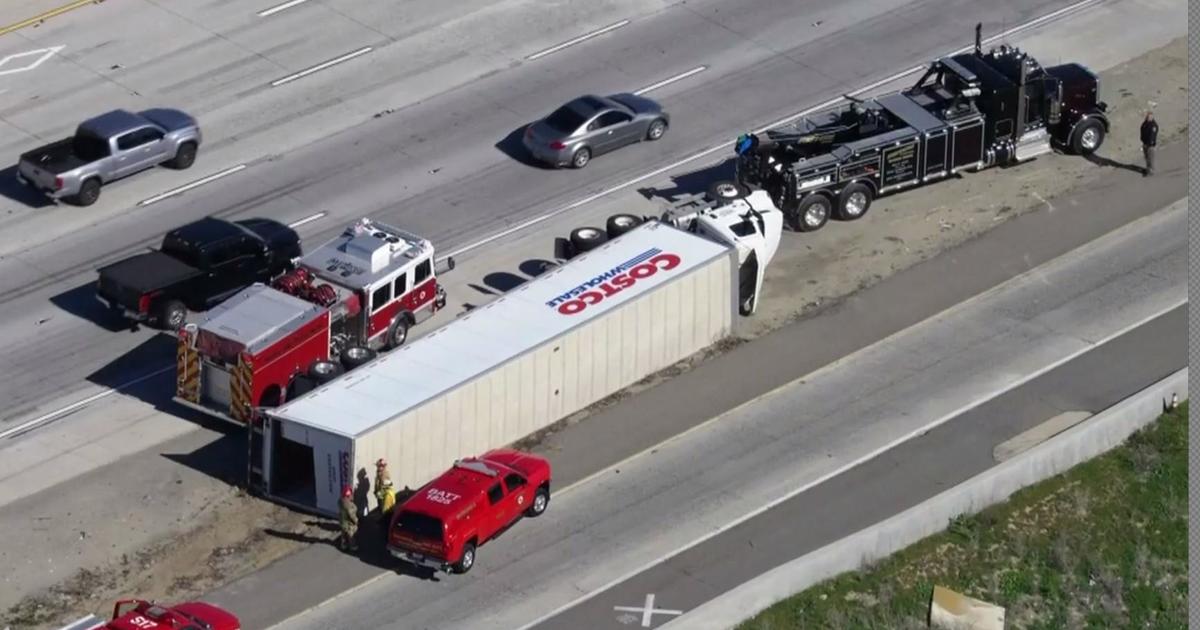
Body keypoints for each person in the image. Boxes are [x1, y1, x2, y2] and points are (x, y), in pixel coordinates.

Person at [338, 485, 358, 551]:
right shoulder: (349, 505)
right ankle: (353, 547)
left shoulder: (340, 501)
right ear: (349, 495)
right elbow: (351, 515)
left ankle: (343, 545)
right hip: (349, 523)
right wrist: (356, 521)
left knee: (343, 534)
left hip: (342, 521)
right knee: (351, 535)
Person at [1140, 111, 1158, 177]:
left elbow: (1152, 136)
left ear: (1152, 117)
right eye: (1147, 117)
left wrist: (1149, 143)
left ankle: (1151, 171)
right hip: (1145, 144)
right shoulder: (1145, 123)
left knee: (1151, 158)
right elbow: (1142, 130)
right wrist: (1142, 139)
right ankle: (1148, 169)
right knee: (1147, 158)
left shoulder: (1154, 125)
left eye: (1149, 117)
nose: (1147, 118)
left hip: (1150, 145)